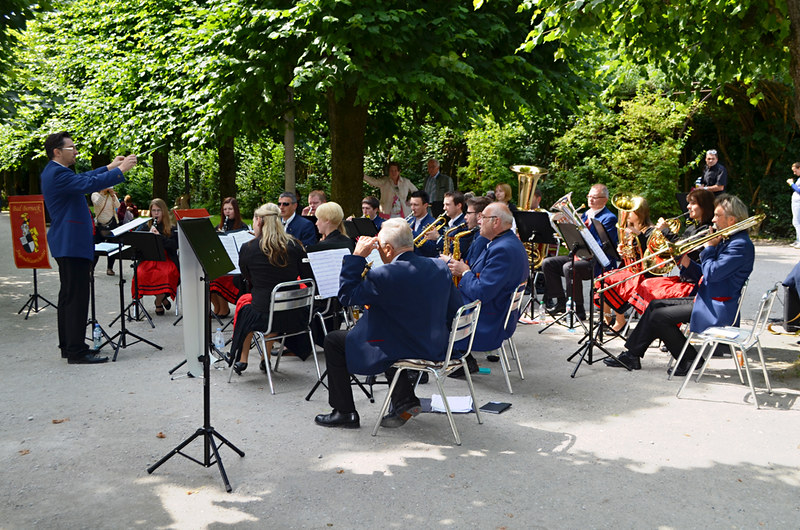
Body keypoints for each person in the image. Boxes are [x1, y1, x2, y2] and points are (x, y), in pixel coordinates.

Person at [314, 219, 462, 429]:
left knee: (333, 340)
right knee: (388, 332)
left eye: (378, 246)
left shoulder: (383, 274)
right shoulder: (438, 266)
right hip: (438, 345)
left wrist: (357, 258)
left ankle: (344, 412)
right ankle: (404, 401)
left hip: (409, 345)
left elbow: (347, 297)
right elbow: (455, 308)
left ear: (388, 249)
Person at [604, 195, 755, 375]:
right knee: (654, 306)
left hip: (716, 306)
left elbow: (712, 274)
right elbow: (704, 274)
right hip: (707, 298)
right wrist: (685, 261)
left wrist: (708, 248)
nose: (713, 220)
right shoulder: (729, 239)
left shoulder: (739, 245)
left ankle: (689, 359)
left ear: (732, 220)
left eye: (717, 216)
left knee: (660, 316)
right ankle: (632, 355)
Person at [40, 131, 137, 364]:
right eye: (71, 148)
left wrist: (109, 166)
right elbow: (88, 183)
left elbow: (85, 177)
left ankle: (69, 345)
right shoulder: (58, 173)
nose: (75, 151)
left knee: (68, 296)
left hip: (68, 242)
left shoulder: (56, 172)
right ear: (57, 152)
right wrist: (119, 172)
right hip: (71, 243)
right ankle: (75, 351)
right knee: (76, 297)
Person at [447, 202, 529, 375]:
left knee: (434, 305)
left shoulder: (502, 249)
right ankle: (460, 358)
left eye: (483, 217)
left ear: (496, 222)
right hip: (496, 311)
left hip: (489, 320)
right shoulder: (506, 242)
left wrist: (465, 272)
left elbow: (481, 293)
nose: (478, 221)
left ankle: (453, 359)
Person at [228, 203, 311, 375]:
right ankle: (265, 359)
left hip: (267, 313)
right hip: (294, 313)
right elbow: (307, 275)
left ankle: (243, 359)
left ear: (259, 221)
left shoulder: (249, 247)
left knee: (246, 310)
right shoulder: (295, 245)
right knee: (270, 306)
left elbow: (247, 277)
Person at [628, 189, 715, 314]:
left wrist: (666, 232)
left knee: (650, 287)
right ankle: (654, 325)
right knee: (646, 284)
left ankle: (658, 324)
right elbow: (676, 249)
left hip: (694, 284)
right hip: (684, 278)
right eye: (688, 203)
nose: (688, 206)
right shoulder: (692, 227)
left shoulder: (707, 230)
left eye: (693, 203)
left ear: (704, 206)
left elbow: (685, 250)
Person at [542, 184, 618, 321]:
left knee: (569, 267)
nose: (590, 199)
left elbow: (604, 245)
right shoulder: (585, 214)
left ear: (605, 200)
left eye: (595, 197)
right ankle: (561, 301)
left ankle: (579, 309)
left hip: (597, 261)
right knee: (548, 263)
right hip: (581, 255)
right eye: (589, 196)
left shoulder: (609, 218)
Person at [595, 198, 655, 332]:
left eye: (630, 212)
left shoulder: (651, 230)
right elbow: (628, 256)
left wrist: (638, 235)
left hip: (645, 274)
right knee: (601, 280)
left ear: (640, 213)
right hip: (630, 270)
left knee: (608, 280)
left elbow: (652, 250)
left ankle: (620, 321)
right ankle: (607, 318)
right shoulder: (630, 231)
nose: (626, 215)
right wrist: (622, 250)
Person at [133, 198, 180, 316]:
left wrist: (160, 237)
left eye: (158, 210)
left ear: (163, 212)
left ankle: (158, 301)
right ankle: (163, 299)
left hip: (166, 259)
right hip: (149, 259)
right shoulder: (145, 227)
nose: (156, 213)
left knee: (166, 274)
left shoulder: (172, 228)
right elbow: (136, 245)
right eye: (153, 211)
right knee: (140, 273)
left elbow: (174, 246)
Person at [210, 197, 250, 318]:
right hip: (222, 262)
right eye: (225, 209)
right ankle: (217, 307)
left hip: (236, 264)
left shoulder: (242, 227)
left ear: (236, 210)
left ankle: (224, 308)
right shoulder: (219, 226)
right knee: (208, 276)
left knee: (219, 278)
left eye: (230, 209)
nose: (227, 212)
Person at [91, 187, 120, 276]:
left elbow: (117, 206)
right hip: (100, 225)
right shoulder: (95, 194)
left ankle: (110, 268)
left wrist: (112, 195)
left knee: (113, 247)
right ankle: (91, 269)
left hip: (112, 223)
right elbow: (97, 203)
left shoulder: (111, 195)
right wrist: (102, 192)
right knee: (96, 247)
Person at [407, 190, 437, 257]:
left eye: (416, 205)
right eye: (411, 204)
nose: (412, 208)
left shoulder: (433, 223)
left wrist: (412, 232)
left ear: (425, 205)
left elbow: (432, 249)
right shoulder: (409, 221)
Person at [786, 162, 800, 249]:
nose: (794, 173)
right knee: (796, 221)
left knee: (797, 222)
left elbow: (799, 190)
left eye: (795, 171)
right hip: (796, 202)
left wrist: (791, 183)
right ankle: (798, 240)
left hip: (798, 202)